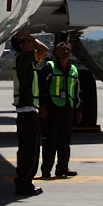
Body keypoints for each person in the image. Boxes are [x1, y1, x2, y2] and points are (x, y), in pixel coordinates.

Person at [12, 32, 49, 197]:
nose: (32, 44)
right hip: (26, 112)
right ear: (21, 45)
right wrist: (32, 37)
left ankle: (25, 182)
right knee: (29, 151)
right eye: (27, 42)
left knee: (30, 150)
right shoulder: (23, 58)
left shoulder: (26, 60)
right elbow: (45, 50)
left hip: (29, 111)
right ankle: (24, 184)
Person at [39, 41, 82, 179]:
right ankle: (46, 170)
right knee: (50, 141)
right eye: (62, 49)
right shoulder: (49, 67)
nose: (66, 52)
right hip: (52, 108)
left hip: (67, 109)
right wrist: (42, 106)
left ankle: (62, 168)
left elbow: (77, 92)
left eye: (68, 49)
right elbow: (41, 88)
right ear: (56, 52)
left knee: (65, 142)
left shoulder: (73, 69)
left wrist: (78, 109)